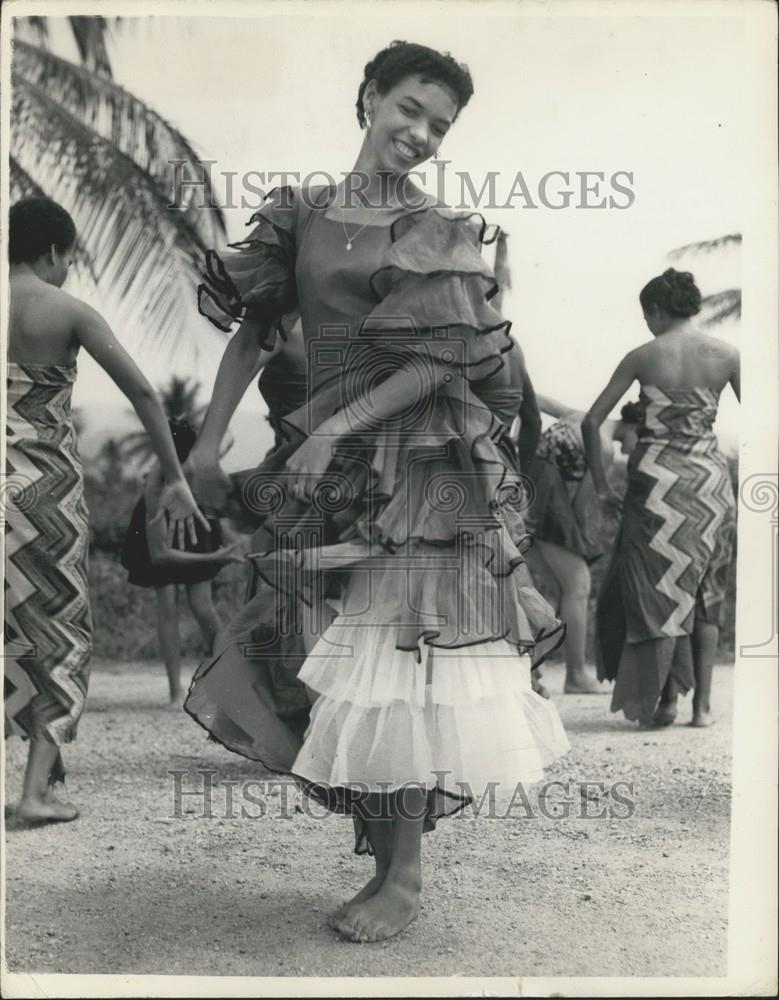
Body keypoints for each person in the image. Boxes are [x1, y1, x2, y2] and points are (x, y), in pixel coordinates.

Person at [185, 40, 569, 943]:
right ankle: (384, 851)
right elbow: (252, 332)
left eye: (439, 125)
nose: (421, 134)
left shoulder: (437, 228)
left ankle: (405, 876)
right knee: (328, 659)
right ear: (368, 98)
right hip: (325, 456)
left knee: (396, 663)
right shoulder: (303, 213)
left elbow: (440, 357)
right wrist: (206, 443)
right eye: (409, 110)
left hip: (418, 457)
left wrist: (331, 431)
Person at [5, 196, 208, 824]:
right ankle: (34, 793)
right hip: (43, 494)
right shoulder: (67, 310)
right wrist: (174, 474)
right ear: (53, 253)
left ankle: (49, 773)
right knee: (58, 633)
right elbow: (144, 390)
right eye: (68, 259)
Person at [582, 268, 738, 728]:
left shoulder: (643, 355)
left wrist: (602, 483)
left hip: (655, 486)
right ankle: (703, 707)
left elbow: (592, 422)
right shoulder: (729, 355)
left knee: (660, 592)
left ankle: (667, 701)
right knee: (708, 592)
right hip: (711, 484)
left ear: (655, 310)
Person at [120, 419, 244, 704]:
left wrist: (203, 431)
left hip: (195, 519)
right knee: (168, 604)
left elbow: (229, 433)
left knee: (202, 604)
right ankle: (175, 691)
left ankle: (231, 681)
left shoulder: (196, 467)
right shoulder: (155, 488)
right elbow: (160, 555)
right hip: (161, 530)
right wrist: (214, 557)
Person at [525, 394, 640, 694]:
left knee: (552, 587)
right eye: (642, 438)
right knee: (579, 585)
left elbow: (532, 397)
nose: (639, 448)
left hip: (523, 484)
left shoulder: (579, 414)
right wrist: (584, 536)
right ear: (633, 426)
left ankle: (528, 670)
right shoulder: (603, 449)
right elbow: (579, 504)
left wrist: (516, 435)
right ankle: (575, 675)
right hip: (549, 493)